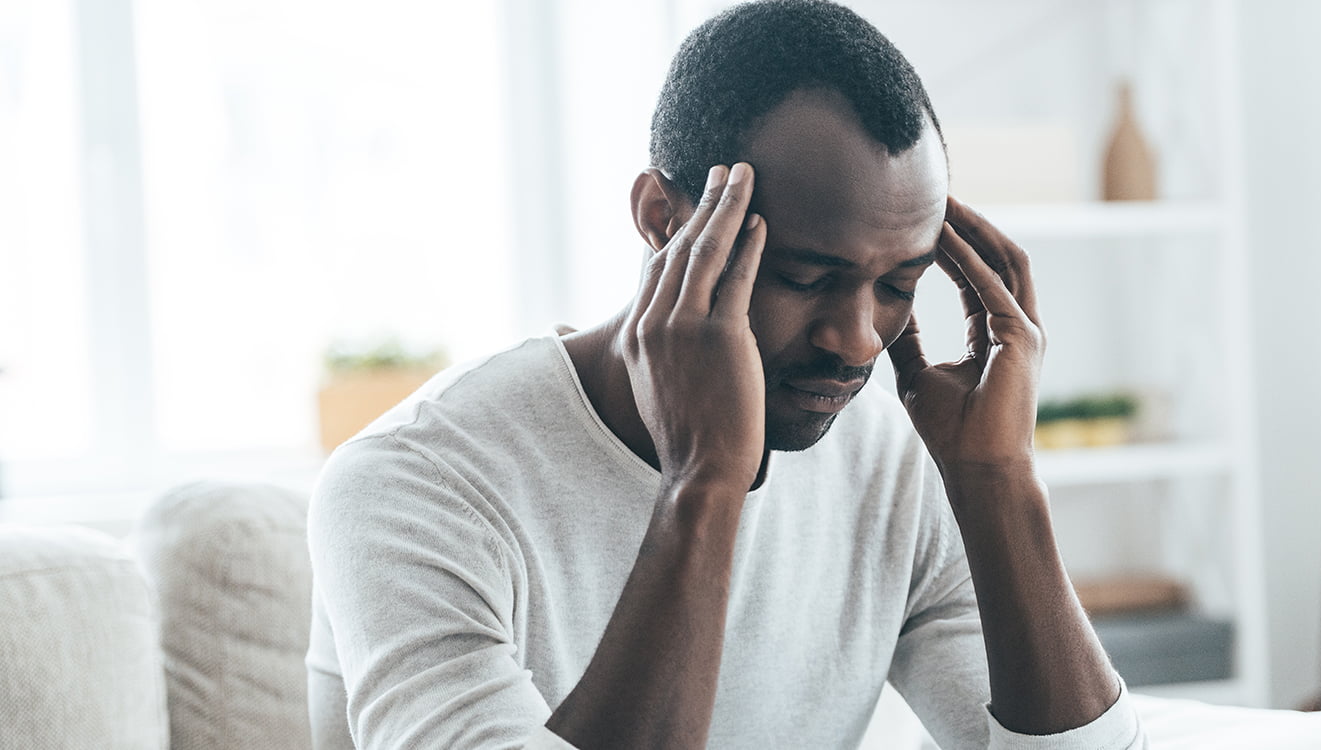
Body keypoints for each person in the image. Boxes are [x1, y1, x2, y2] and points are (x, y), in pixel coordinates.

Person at [306, 1, 1146, 748]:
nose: (857, 341)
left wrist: (996, 480)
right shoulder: (410, 486)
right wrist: (704, 483)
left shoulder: (890, 456)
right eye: (805, 278)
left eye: (898, 285)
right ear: (660, 219)